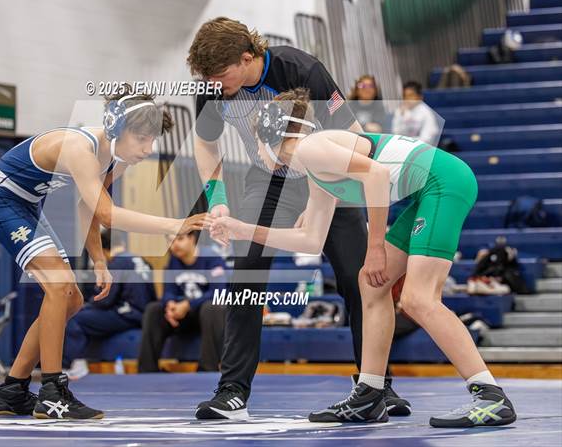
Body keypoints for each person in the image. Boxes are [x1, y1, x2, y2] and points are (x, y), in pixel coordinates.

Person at [211, 88, 516, 428]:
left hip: (444, 183)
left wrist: (375, 247)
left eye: (256, 140)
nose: (256, 150)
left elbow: (377, 175)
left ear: (271, 134)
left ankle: (490, 395)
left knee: (418, 299)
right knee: (371, 286)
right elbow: (311, 240)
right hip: (431, 188)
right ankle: (370, 394)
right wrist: (243, 229)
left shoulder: (312, 148)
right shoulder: (315, 168)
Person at [187, 16, 410, 420]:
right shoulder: (212, 88)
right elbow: (205, 144)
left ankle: (376, 386)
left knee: (359, 278)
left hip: (327, 175)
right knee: (246, 273)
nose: (213, 84)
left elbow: (356, 136)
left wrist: (323, 194)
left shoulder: (302, 69)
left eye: (220, 75)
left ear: (246, 58)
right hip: (269, 177)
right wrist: (217, 198)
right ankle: (232, 390)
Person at [0, 88, 206, 420]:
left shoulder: (114, 156)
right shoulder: (80, 148)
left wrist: (99, 260)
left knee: (72, 300)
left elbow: (89, 208)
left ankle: (12, 390)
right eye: (142, 139)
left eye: (152, 140)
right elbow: (108, 214)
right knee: (59, 287)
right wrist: (174, 224)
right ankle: (52, 391)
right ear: (116, 128)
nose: (148, 149)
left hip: (27, 204)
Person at [64, 230, 155, 380]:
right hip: (145, 315)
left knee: (76, 318)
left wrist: (86, 305)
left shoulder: (117, 263)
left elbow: (105, 300)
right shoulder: (143, 261)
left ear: (103, 250)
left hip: (128, 314)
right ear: (122, 243)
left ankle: (71, 363)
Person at [138, 231, 227, 373]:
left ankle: (207, 369)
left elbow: (219, 292)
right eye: (170, 241)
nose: (174, 245)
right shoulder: (173, 261)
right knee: (153, 309)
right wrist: (170, 304)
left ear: (192, 239)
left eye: (179, 239)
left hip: (206, 317)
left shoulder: (212, 259)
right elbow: (168, 292)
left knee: (212, 308)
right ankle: (147, 371)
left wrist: (188, 305)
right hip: (182, 317)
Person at [390, 81, 440, 145]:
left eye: (410, 95)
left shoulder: (427, 113)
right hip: (402, 146)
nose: (407, 99)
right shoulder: (400, 111)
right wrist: (401, 116)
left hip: (420, 148)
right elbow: (395, 133)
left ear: (419, 97)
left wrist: (407, 142)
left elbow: (427, 139)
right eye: (405, 96)